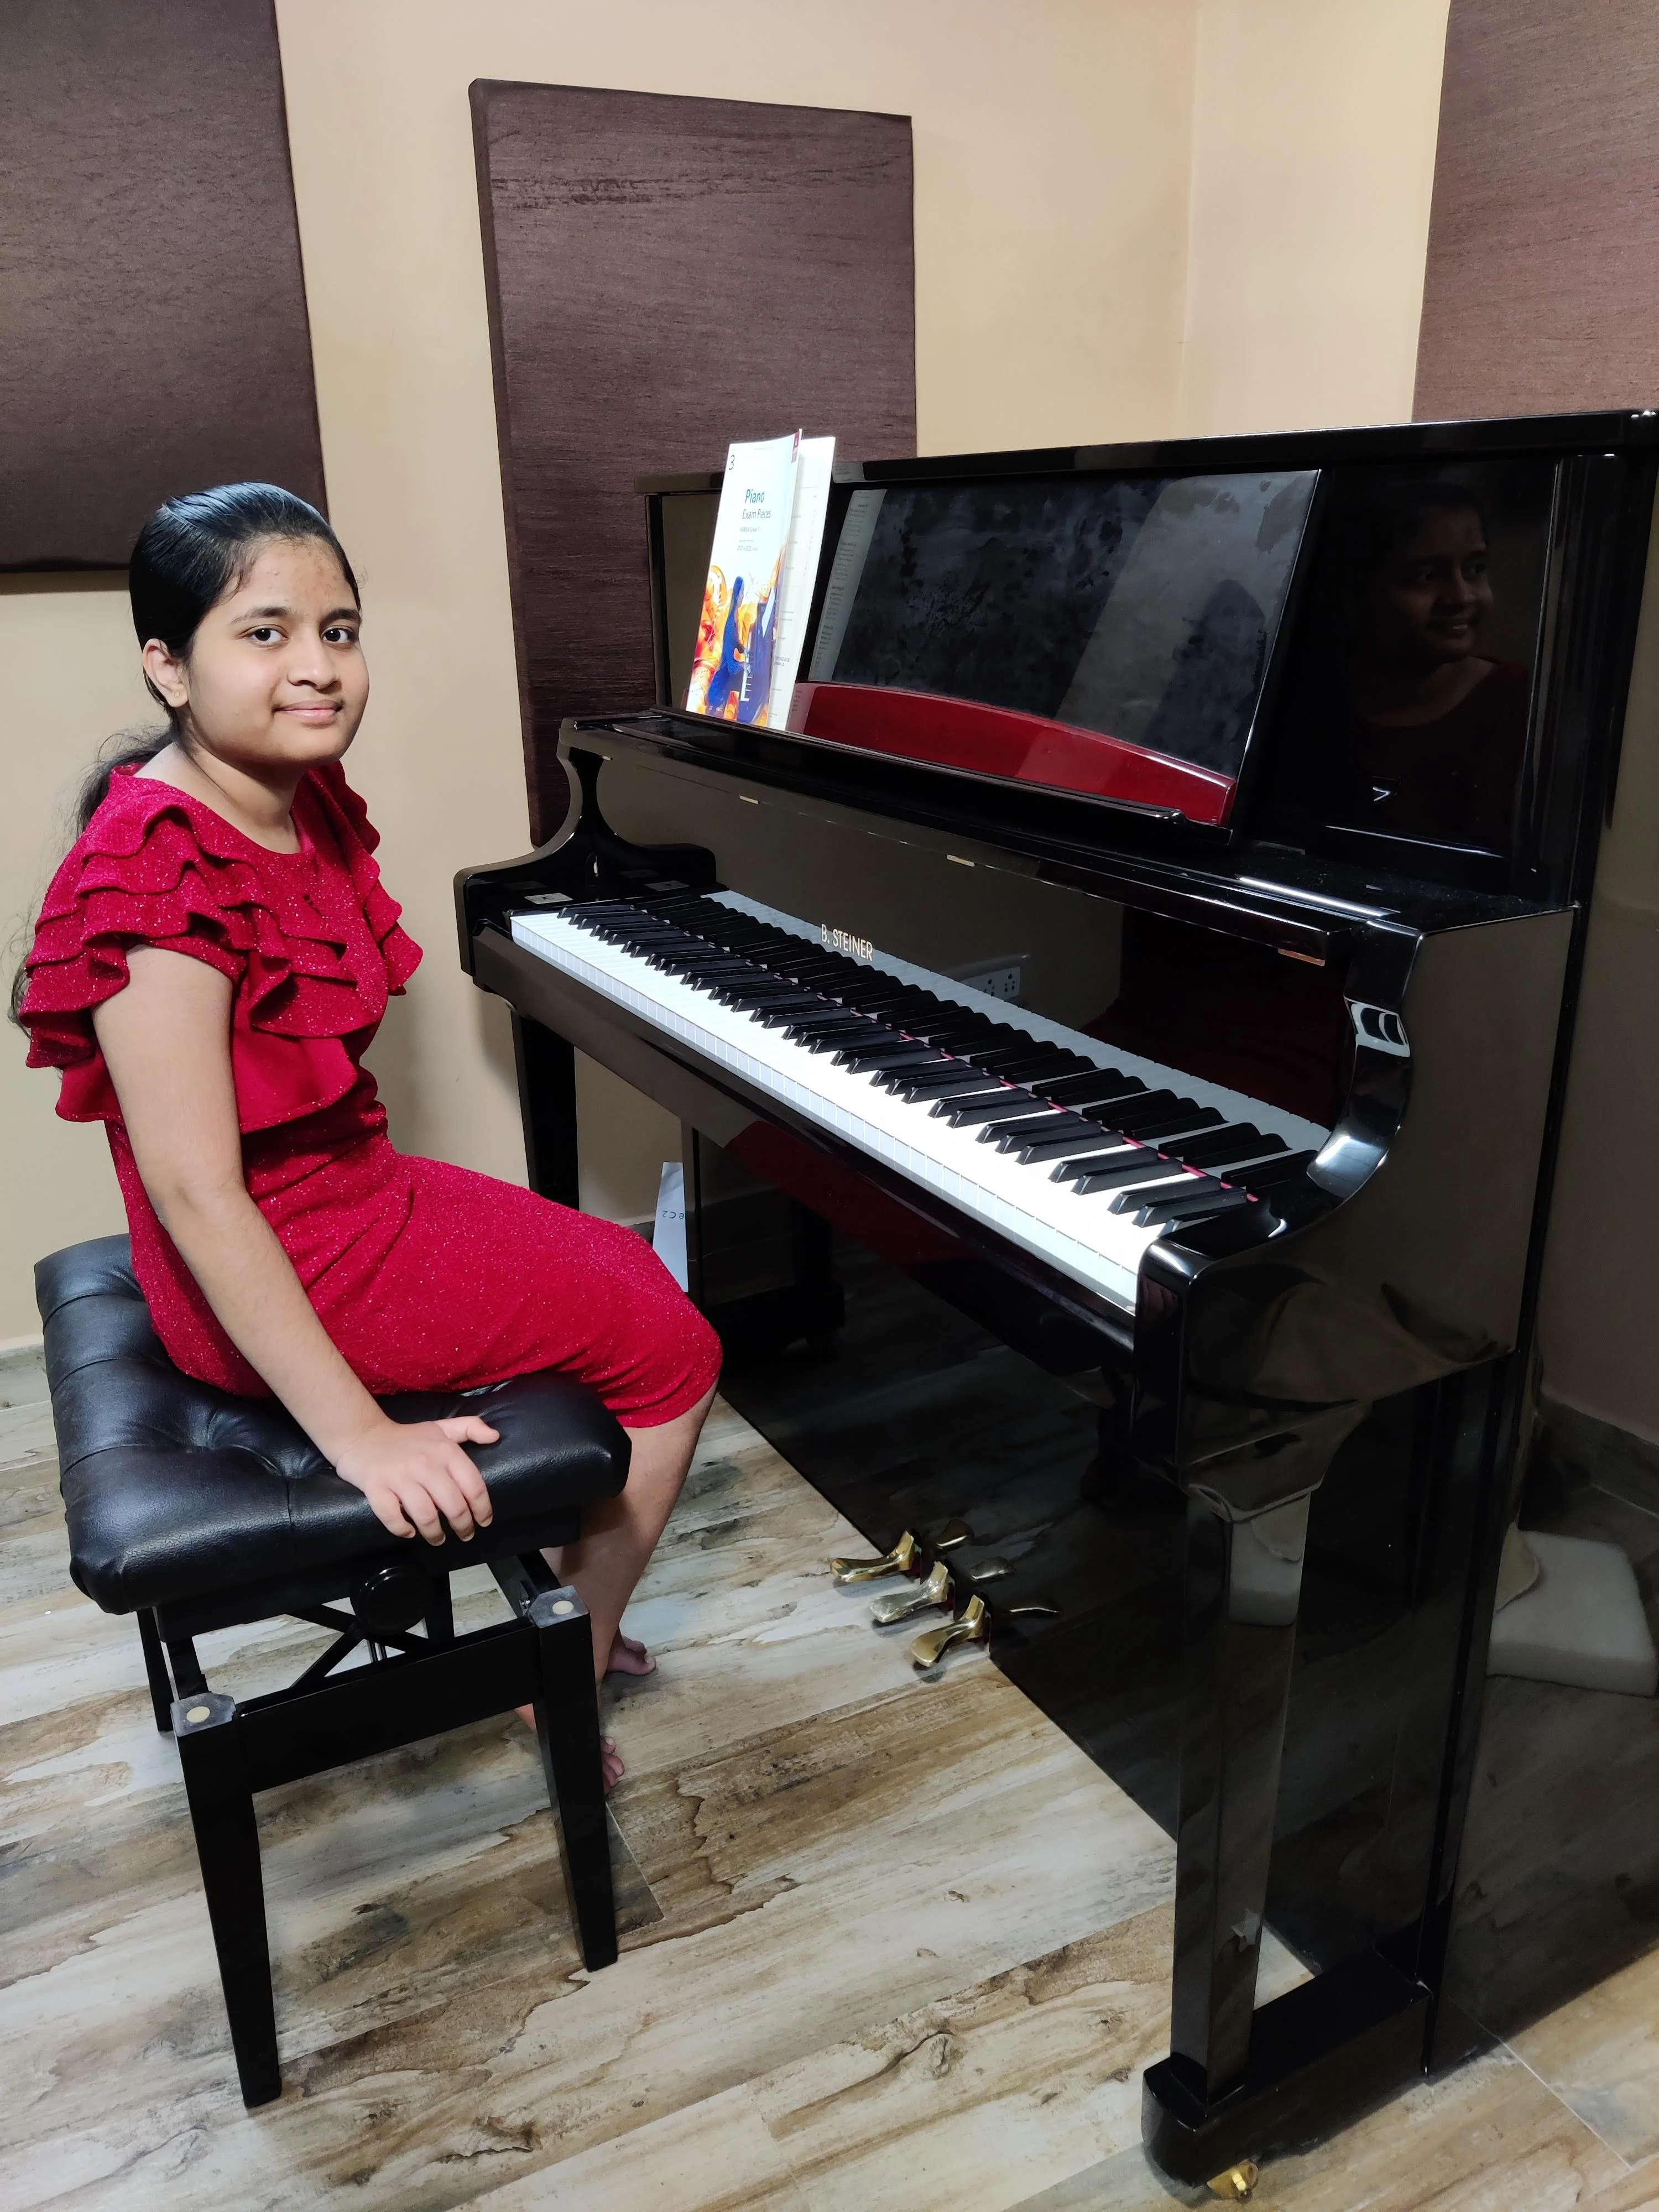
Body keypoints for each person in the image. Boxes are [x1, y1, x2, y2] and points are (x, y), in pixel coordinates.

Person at [15, 484, 721, 1790]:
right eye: (265, 632)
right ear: (167, 665)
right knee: (675, 1349)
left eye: (337, 630)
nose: (317, 666)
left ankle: (557, 1598)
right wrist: (358, 1435)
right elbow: (195, 1189)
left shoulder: (289, 793)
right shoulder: (156, 870)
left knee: (636, 1277)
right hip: (268, 1258)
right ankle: (564, 1661)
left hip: (352, 1195)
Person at [1331, 478, 1531, 852]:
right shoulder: (1316, 702)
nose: (1461, 596)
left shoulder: (1520, 704)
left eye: (1476, 569)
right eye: (1427, 576)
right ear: (1358, 592)